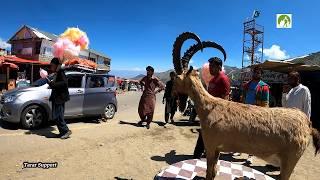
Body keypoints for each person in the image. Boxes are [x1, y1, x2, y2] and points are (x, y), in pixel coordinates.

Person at [193, 57, 230, 159]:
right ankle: (201, 156)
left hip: (215, 116)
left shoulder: (223, 79)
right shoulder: (213, 78)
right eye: (209, 66)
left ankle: (197, 158)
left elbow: (225, 100)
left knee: (204, 138)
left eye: (212, 66)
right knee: (204, 137)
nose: (210, 69)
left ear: (219, 67)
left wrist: (218, 117)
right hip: (208, 114)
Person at [241, 66, 270, 164]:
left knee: (253, 136)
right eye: (255, 72)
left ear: (261, 74)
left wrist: (262, 115)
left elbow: (265, 103)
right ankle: (241, 150)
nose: (256, 74)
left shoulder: (264, 86)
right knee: (243, 133)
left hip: (256, 114)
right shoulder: (247, 85)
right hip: (245, 112)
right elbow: (243, 97)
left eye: (258, 73)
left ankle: (251, 155)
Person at [47, 58, 72, 139]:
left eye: (52, 65)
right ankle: (62, 132)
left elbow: (64, 83)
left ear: (56, 65)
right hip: (56, 97)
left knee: (58, 116)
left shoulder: (61, 72)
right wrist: (50, 83)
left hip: (60, 98)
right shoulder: (57, 73)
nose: (51, 67)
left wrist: (53, 84)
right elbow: (55, 84)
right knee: (56, 116)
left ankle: (66, 131)